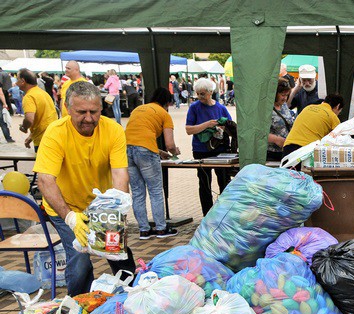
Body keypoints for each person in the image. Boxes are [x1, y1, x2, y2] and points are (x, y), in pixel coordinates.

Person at [33, 80, 135, 296]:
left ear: (101, 109)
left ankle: (132, 298)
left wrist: (117, 212)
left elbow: (119, 173)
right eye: (81, 112)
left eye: (94, 111)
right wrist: (71, 218)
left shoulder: (113, 130)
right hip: (65, 207)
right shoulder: (56, 132)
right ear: (68, 109)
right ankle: (77, 305)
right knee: (80, 262)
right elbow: (45, 180)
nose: (89, 118)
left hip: (101, 207)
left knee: (118, 252)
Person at [125, 87, 180, 240]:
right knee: (155, 191)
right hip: (146, 152)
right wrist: (174, 152)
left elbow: (138, 137)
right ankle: (161, 228)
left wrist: (159, 152)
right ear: (167, 102)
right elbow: (170, 144)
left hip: (127, 150)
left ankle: (144, 230)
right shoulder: (164, 114)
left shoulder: (138, 110)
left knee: (137, 192)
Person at [185, 77, 233, 216]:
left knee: (224, 182)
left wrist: (222, 127)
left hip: (220, 150)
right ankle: (207, 214)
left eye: (202, 93)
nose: (199, 96)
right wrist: (207, 124)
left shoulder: (221, 108)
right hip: (201, 150)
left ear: (210, 92)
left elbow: (231, 126)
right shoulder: (194, 107)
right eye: (198, 93)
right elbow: (188, 130)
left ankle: (224, 213)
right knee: (205, 184)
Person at [282, 93, 344, 159]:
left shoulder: (307, 107)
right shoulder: (332, 116)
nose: (337, 114)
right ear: (338, 106)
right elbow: (341, 139)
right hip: (306, 151)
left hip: (288, 147)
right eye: (339, 112)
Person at [17, 68, 57, 151]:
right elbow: (44, 120)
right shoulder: (43, 93)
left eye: (17, 79)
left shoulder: (29, 97)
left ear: (23, 81)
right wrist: (31, 137)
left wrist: (24, 127)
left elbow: (29, 119)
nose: (16, 83)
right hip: (54, 137)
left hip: (42, 141)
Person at [267, 79, 294, 162]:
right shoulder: (266, 108)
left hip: (285, 151)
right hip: (271, 154)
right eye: (282, 95)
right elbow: (258, 132)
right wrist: (276, 139)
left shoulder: (284, 105)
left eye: (287, 95)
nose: (285, 98)